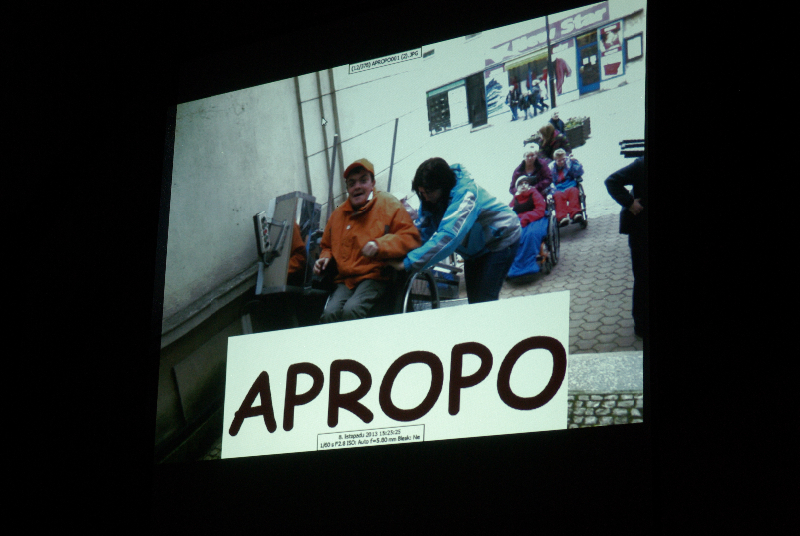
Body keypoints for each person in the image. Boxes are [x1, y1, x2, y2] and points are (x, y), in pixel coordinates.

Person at [388, 158, 521, 304]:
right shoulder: (431, 199)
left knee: (484, 300)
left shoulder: (466, 194)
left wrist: (409, 262)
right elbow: (421, 232)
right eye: (421, 193)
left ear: (442, 186)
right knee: (475, 301)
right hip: (475, 250)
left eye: (428, 192)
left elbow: (448, 236)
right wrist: (398, 251)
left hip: (500, 239)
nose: (425, 198)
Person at [314, 158, 421, 323]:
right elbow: (326, 245)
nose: (357, 187)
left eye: (363, 181)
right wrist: (325, 257)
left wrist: (380, 245)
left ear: (372, 183)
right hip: (346, 280)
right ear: (348, 188)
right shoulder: (337, 215)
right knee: (329, 314)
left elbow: (410, 237)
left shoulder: (388, 204)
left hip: (376, 276)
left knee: (352, 310)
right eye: (352, 183)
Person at [604, 157, 647, 338]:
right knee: (643, 277)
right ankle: (642, 324)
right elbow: (612, 181)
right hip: (641, 229)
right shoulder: (641, 165)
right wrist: (629, 203)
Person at [506, 176, 550, 279]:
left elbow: (540, 210)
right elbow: (510, 211)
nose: (523, 185)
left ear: (529, 185)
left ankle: (530, 265)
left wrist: (527, 217)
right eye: (520, 184)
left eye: (526, 183)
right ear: (517, 187)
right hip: (520, 220)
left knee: (531, 234)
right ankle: (515, 267)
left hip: (536, 218)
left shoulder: (534, 194)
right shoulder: (516, 198)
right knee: (513, 235)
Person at [548, 148, 585, 226]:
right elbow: (549, 181)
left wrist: (575, 162)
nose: (561, 162)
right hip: (557, 187)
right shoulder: (551, 168)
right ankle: (562, 217)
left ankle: (575, 213)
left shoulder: (570, 163)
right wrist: (551, 191)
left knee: (574, 191)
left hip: (569, 184)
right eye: (559, 160)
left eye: (563, 160)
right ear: (555, 160)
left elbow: (579, 172)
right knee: (557, 196)